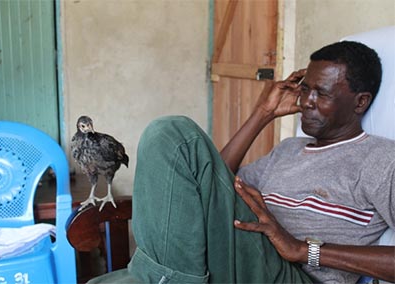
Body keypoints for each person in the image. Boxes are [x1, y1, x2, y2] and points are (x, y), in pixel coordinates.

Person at [89, 41, 395, 283]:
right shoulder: (288, 150)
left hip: (297, 276)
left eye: (321, 93)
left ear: (360, 102)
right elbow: (208, 184)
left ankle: (159, 278)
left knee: (175, 134)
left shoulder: (378, 159)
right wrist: (262, 113)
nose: (306, 101)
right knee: (167, 137)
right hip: (240, 259)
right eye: (304, 89)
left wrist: (303, 249)